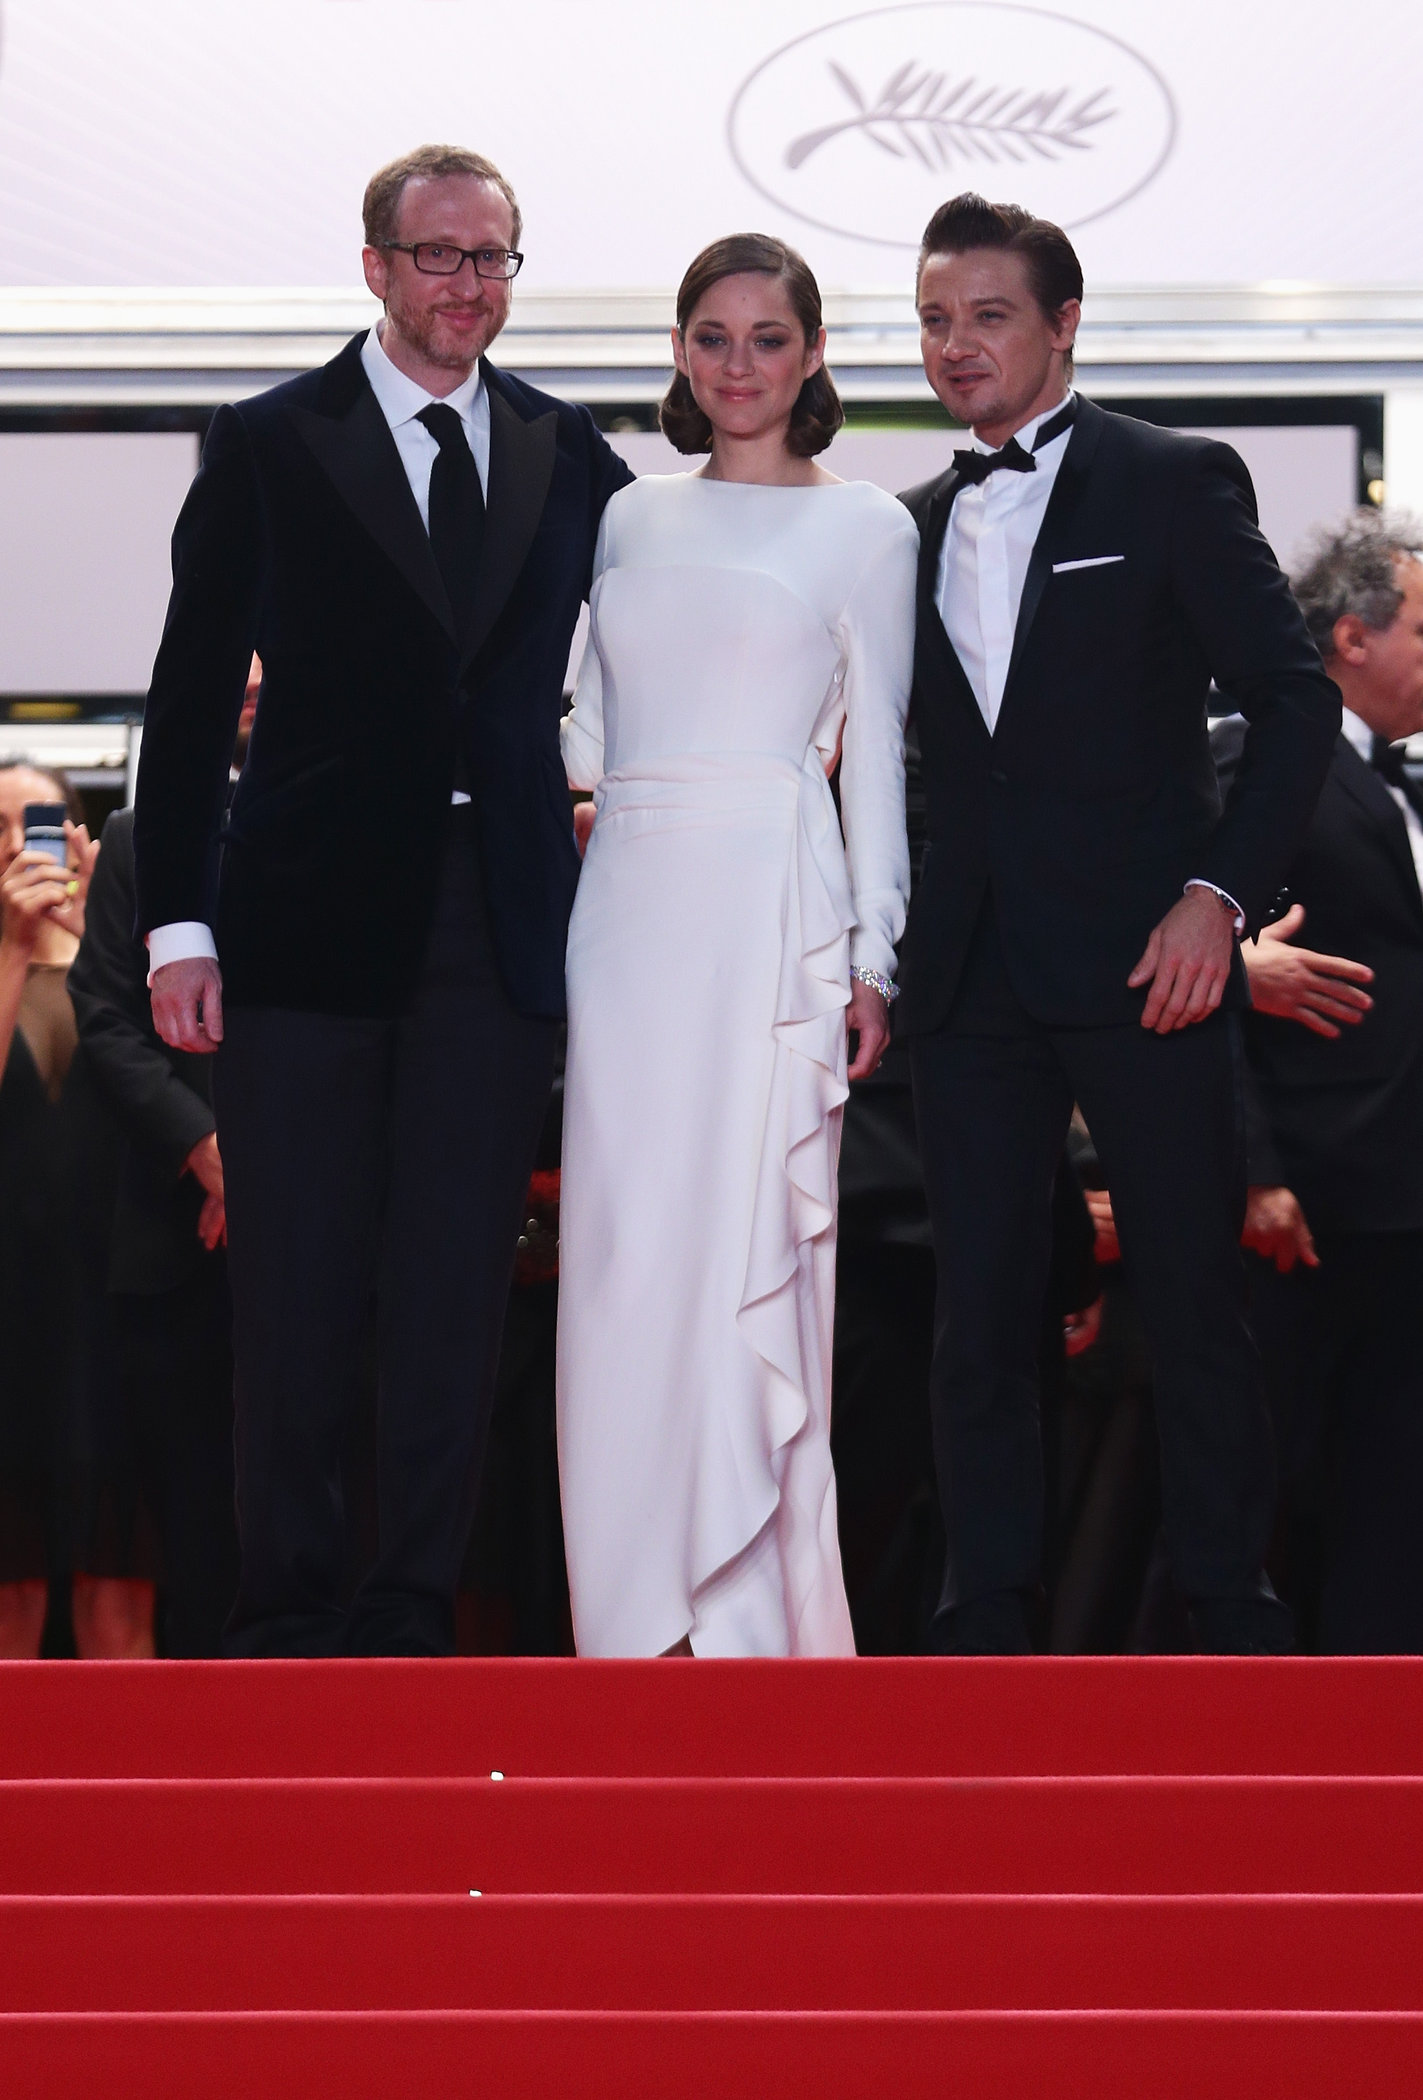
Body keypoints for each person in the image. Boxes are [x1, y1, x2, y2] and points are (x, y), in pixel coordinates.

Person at [133, 144, 632, 1656]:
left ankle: (413, 1602)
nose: (467, 286)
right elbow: (188, 695)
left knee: (453, 1284)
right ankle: (288, 1603)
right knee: (292, 1279)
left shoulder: (568, 452)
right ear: (374, 267)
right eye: (439, 257)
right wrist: (176, 924)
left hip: (498, 924)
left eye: (493, 259)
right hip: (302, 922)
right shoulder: (271, 441)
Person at [897, 193, 1340, 1655]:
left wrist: (1215, 900)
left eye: (987, 316)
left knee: (1186, 1289)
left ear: (1062, 324)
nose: (954, 347)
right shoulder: (903, 526)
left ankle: (1227, 1604)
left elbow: (1291, 702)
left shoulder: (1166, 479)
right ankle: (988, 1611)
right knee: (979, 1313)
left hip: (1144, 967)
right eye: (932, 319)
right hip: (964, 976)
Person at [557, 233, 917, 1657]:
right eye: (710, 336)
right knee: (624, 1251)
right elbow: (579, 723)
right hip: (628, 915)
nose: (737, 365)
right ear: (680, 352)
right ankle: (627, 1617)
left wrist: (873, 956)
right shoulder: (629, 516)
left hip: (771, 914)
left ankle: (757, 1618)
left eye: (767, 338)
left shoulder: (868, 527)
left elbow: (873, 758)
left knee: (749, 1250)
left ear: (812, 354)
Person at [1214, 509, 1423, 1651]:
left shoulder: (1400, 785)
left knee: (1389, 1493)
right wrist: (1252, 1169)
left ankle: (1380, 1726)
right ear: (1352, 638)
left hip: (1398, 1202)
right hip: (1299, 1203)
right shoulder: (1259, 759)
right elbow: (1200, 977)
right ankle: (1223, 1737)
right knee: (1266, 1481)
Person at [69, 801, 240, 1656]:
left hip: (337, 1231)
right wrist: (203, 1149)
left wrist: (269, 1174)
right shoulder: (143, 837)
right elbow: (103, 1013)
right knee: (186, 1538)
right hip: (171, 1250)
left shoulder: (362, 813)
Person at [0, 762, 111, 1657]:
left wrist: (100, 934)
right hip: (9, 1286)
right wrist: (11, 947)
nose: (14, 843)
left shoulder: (115, 949)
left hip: (119, 1286)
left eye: (32, 822)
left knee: (122, 1538)